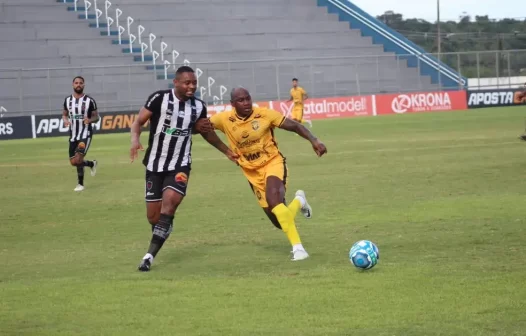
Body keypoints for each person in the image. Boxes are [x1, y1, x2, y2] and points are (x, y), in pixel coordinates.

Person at [130, 66, 238, 272]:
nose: (192, 87)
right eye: (187, 83)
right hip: (155, 164)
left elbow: (205, 132)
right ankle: (164, 226)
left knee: (169, 205)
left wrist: (226, 150)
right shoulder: (159, 99)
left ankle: (148, 257)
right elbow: (138, 122)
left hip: (180, 164)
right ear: (176, 83)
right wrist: (135, 140)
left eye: (194, 83)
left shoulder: (198, 106)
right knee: (154, 217)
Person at [204, 87, 327, 261]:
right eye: (241, 100)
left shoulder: (264, 114)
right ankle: (299, 201)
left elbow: (294, 125)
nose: (246, 103)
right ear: (232, 104)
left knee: (274, 201)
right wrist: (224, 150)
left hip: (273, 163)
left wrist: (314, 140)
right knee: (279, 221)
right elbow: (202, 128)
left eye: (248, 98)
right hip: (251, 172)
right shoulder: (224, 119)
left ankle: (299, 249)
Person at [62, 76, 99, 192]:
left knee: (78, 159)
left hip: (85, 134)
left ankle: (80, 184)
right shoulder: (67, 100)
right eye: (76, 83)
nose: (78, 85)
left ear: (84, 85)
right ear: (73, 85)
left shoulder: (90, 101)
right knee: (73, 162)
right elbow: (64, 114)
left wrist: (90, 120)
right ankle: (91, 163)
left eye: (80, 83)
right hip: (73, 135)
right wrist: (65, 120)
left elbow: (96, 117)